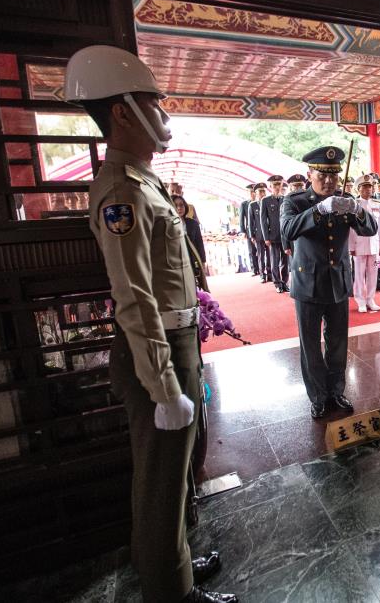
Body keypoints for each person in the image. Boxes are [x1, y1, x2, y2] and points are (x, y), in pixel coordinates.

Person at [66, 45, 235, 603]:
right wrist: (164, 386)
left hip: (178, 339)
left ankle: (177, 563)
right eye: (151, 103)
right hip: (156, 350)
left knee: (177, 470)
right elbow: (133, 298)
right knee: (162, 481)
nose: (162, 115)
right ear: (121, 112)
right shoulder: (121, 190)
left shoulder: (143, 180)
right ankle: (171, 591)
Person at [281, 146, 378, 419]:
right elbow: (287, 230)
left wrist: (357, 210)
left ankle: (336, 390)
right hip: (307, 285)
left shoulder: (344, 200)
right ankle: (318, 397)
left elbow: (370, 228)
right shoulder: (296, 202)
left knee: (337, 344)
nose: (328, 182)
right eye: (322, 175)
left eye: (333, 176)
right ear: (310, 174)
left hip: (337, 282)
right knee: (310, 345)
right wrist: (320, 210)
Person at [349, 174, 380, 313]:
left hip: (373, 244)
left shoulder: (377, 204)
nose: (368, 189)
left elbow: (379, 226)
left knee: (373, 273)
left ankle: (370, 299)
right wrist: (351, 246)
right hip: (359, 244)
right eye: (365, 187)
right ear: (359, 189)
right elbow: (350, 229)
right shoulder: (354, 206)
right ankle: (360, 300)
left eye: (370, 186)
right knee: (359, 274)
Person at [260, 174, 289, 293]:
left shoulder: (286, 199)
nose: (277, 187)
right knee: (275, 261)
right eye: (275, 185)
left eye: (279, 184)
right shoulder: (265, 201)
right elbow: (263, 220)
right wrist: (266, 237)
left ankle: (285, 282)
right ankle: (277, 283)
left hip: (285, 236)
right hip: (273, 236)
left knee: (285, 262)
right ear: (270, 186)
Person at [173, 195, 207, 273]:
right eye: (175, 206)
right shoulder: (168, 225)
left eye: (181, 205)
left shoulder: (193, 223)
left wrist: (203, 262)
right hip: (175, 264)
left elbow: (199, 244)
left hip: (192, 262)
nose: (179, 208)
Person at [249, 182, 271, 282]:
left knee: (270, 255)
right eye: (260, 191)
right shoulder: (253, 205)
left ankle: (270, 274)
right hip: (258, 235)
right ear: (256, 193)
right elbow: (250, 221)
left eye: (263, 191)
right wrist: (251, 235)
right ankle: (263, 274)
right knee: (261, 255)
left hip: (269, 233)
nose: (262, 193)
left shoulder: (269, 202)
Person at [238, 185, 258, 276]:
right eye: (251, 192)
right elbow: (241, 218)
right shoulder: (244, 204)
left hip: (260, 229)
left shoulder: (260, 202)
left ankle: (263, 268)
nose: (253, 194)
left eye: (254, 192)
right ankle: (254, 269)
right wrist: (243, 231)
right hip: (250, 229)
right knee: (252, 250)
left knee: (261, 251)